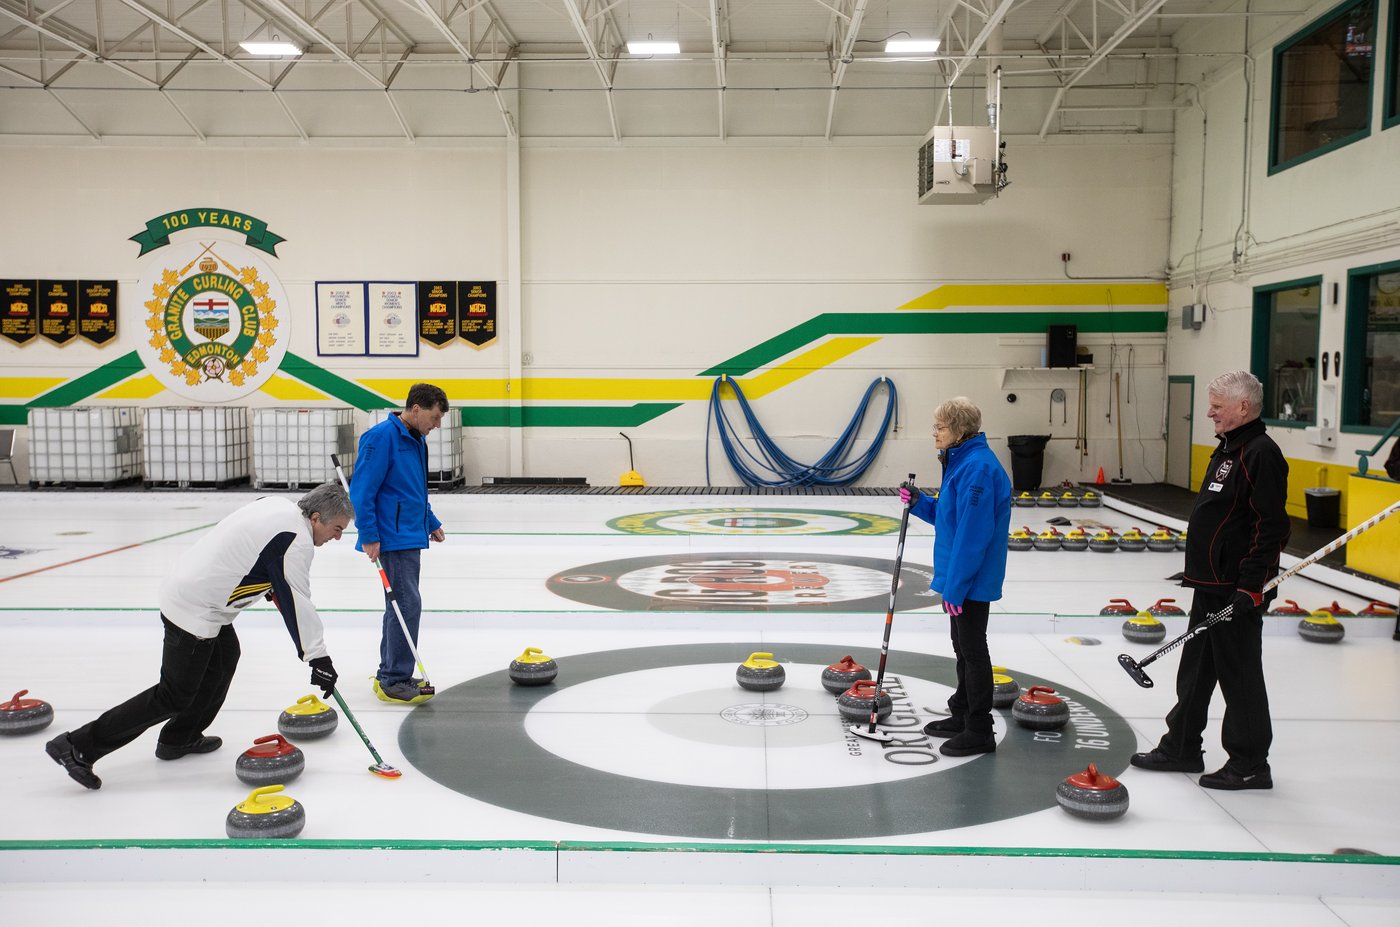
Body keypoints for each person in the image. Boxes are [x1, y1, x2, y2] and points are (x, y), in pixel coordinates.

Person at [45, 483, 351, 790]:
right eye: (336, 529)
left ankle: (179, 738)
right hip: (195, 608)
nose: (337, 537)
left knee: (225, 658)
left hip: (197, 592)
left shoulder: (276, 505)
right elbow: (297, 601)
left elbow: (257, 551)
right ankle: (77, 746)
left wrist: (269, 582)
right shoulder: (296, 542)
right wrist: (318, 658)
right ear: (315, 518)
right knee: (173, 695)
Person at [1132, 370, 1289, 790]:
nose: (1209, 413)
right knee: (1196, 671)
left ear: (1243, 407)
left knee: (1240, 676)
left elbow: (1270, 527)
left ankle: (1250, 763)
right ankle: (1182, 746)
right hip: (1209, 584)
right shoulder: (1228, 449)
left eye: (1217, 406)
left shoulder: (1261, 453)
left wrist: (1251, 586)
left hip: (1236, 590)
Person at [899, 396, 1011, 757]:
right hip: (961, 577)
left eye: (941, 427)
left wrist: (957, 587)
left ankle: (979, 728)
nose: (935, 433)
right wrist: (919, 502)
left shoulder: (978, 470)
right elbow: (948, 517)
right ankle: (962, 711)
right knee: (961, 645)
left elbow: (972, 536)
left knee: (973, 649)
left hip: (972, 579)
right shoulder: (961, 462)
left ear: (960, 430)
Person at [351, 383, 448, 704]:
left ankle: (391, 672)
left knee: (401, 605)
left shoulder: (416, 439)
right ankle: (394, 679)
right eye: (435, 417)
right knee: (405, 605)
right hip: (391, 538)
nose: (437, 425)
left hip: (409, 533)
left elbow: (413, 489)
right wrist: (369, 535)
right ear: (416, 409)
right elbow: (362, 491)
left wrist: (430, 521)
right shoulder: (381, 438)